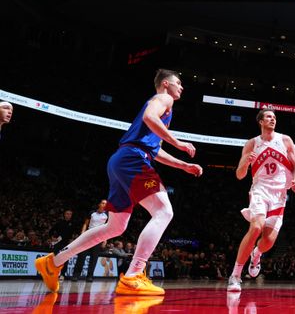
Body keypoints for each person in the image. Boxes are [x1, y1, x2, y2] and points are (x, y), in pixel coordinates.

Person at [35, 69, 203, 295]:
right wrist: (180, 143)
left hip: (122, 159)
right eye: (178, 83)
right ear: (165, 84)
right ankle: (134, 274)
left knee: (116, 226)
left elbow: (156, 150)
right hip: (132, 159)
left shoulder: (160, 110)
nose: (181, 87)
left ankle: (53, 262)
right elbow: (149, 118)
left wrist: (183, 165)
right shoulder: (164, 99)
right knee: (164, 211)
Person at [227, 108, 295, 292]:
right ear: (260, 121)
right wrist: (245, 162)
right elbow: (239, 174)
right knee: (256, 227)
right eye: (269, 117)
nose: (272, 119)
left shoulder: (285, 140)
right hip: (260, 190)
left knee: (267, 242)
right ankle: (235, 275)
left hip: (279, 195)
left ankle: (256, 254)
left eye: (274, 117)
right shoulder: (252, 144)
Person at [71, 200, 109, 282]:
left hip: (98, 238)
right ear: (99, 204)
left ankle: (90, 276)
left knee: (94, 258)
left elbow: (107, 228)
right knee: (81, 256)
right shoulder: (92, 213)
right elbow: (85, 224)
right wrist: (82, 234)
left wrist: (105, 239)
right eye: (102, 203)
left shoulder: (107, 215)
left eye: (106, 204)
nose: (104, 205)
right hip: (88, 237)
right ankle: (76, 275)